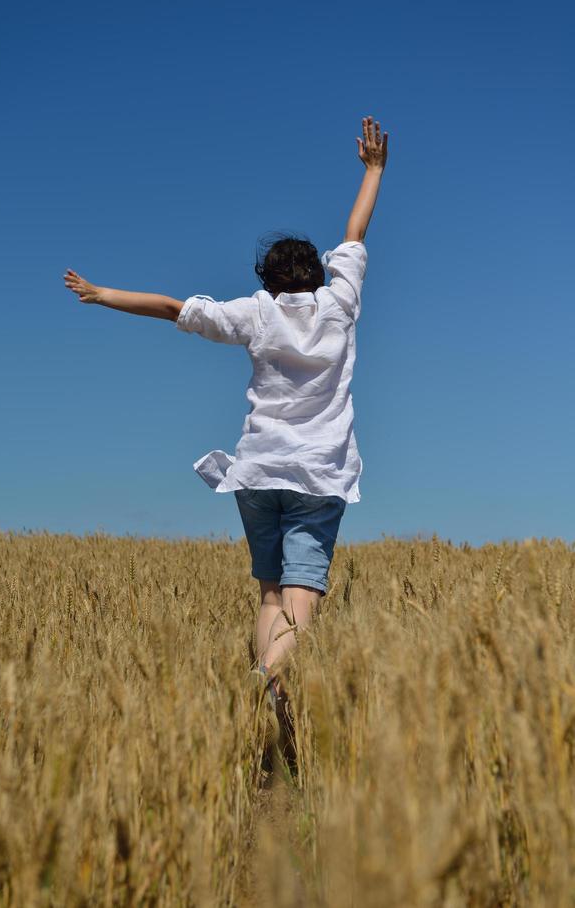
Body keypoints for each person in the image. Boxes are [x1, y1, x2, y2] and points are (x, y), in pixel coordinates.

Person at [63, 115, 389, 746]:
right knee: (303, 594)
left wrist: (103, 294)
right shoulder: (340, 305)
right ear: (319, 276)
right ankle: (263, 683)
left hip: (258, 473)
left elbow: (171, 307)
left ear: (266, 278)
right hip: (320, 474)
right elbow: (353, 233)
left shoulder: (254, 313)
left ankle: (263, 696)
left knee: (270, 593)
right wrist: (373, 168)